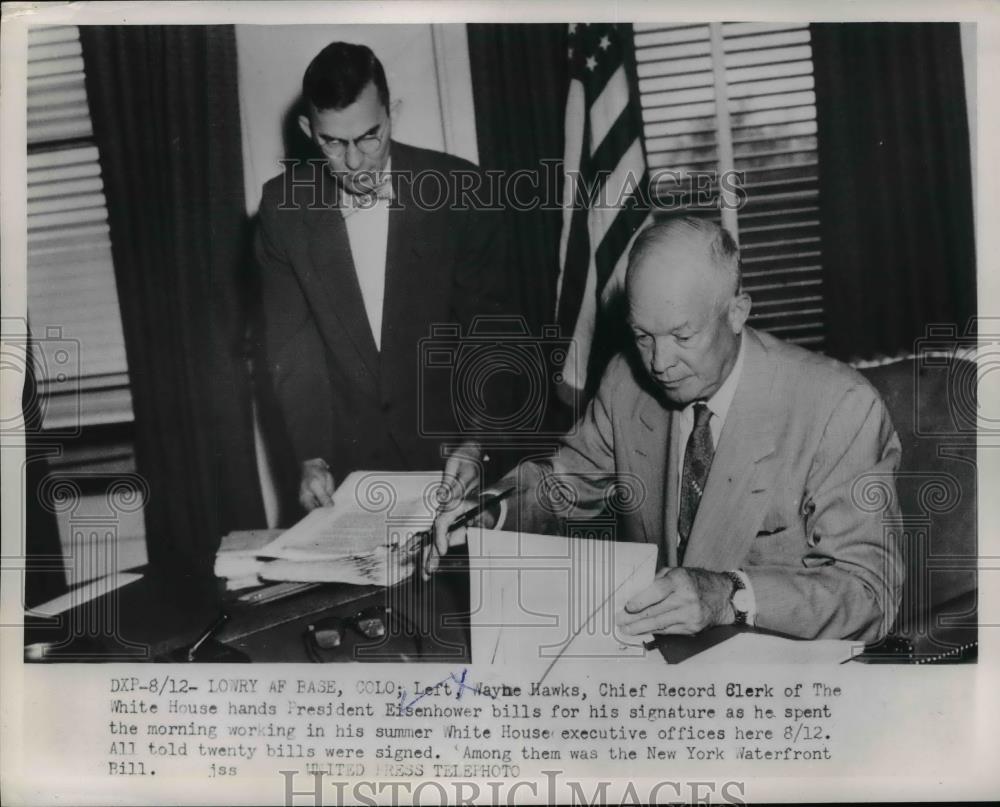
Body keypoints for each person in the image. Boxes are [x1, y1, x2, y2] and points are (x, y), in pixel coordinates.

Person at [430, 217, 903, 643]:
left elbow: (869, 595)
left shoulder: (840, 407)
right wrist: (491, 511)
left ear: (737, 312)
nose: (659, 363)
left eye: (682, 336)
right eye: (642, 336)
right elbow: (561, 485)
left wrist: (731, 596)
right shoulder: (624, 381)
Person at [254, 42, 506, 517]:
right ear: (309, 130)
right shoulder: (282, 209)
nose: (354, 162)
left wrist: (475, 441)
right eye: (333, 142)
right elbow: (292, 347)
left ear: (393, 114)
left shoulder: (461, 191)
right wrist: (311, 456)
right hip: (350, 471)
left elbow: (488, 333)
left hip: (455, 454)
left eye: (370, 136)